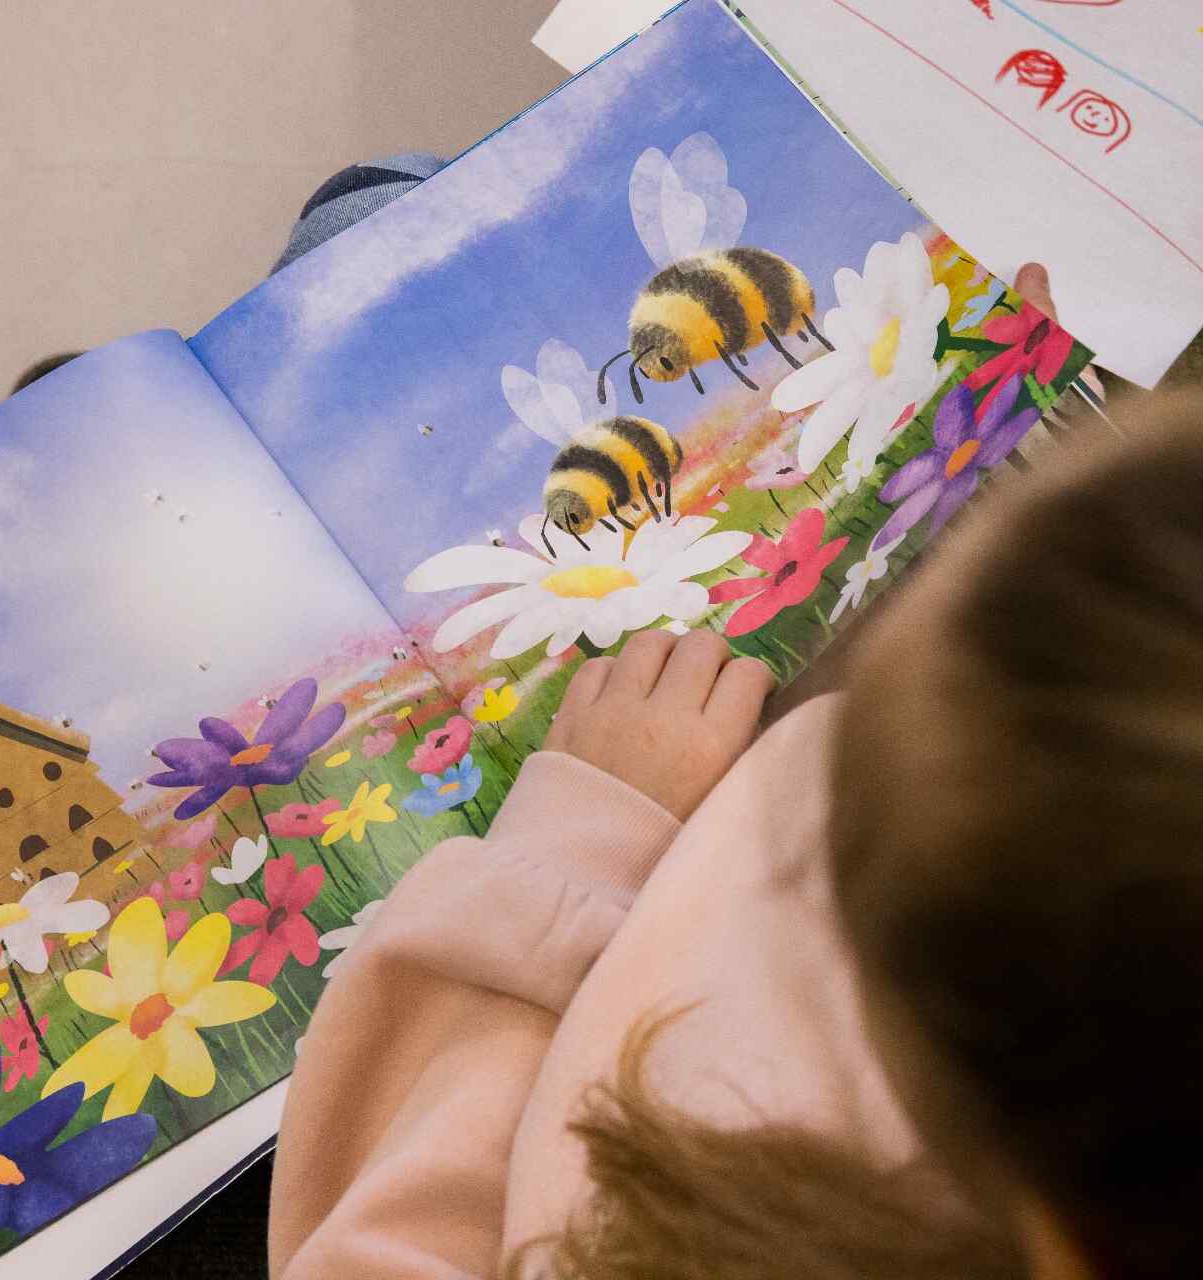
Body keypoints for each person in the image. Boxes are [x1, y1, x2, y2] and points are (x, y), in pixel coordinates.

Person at [270, 260, 1192, 1279]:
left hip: (602, 881)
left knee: (354, 216)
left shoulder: (707, 1201)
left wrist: (580, 843)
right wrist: (1024, 466)